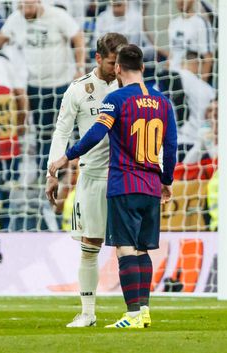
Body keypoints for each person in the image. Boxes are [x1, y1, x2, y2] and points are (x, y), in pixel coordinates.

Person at [48, 44, 178, 328]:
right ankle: (143, 312)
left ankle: (131, 315)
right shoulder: (164, 102)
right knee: (143, 249)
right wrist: (166, 181)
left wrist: (66, 156)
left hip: (124, 183)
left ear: (118, 69)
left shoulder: (117, 99)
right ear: (142, 67)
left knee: (125, 249)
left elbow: (96, 133)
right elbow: (170, 147)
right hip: (151, 184)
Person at [46, 33, 128, 327]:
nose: (116, 67)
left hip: (125, 177)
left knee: (130, 247)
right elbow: (62, 131)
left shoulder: (131, 86)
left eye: (120, 61)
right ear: (97, 58)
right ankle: (88, 313)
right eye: (110, 62)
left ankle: (136, 312)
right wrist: (51, 172)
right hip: (92, 177)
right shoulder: (79, 90)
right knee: (90, 244)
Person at [0, 0, 85, 182]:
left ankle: (64, 176)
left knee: (63, 131)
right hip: (35, 85)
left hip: (62, 83)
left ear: (38, 2)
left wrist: (79, 67)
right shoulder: (17, 18)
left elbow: (78, 36)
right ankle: (46, 174)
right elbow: (0, 39)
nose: (25, 10)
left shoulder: (57, 16)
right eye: (21, 6)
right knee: (43, 132)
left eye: (28, 6)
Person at [0, 49, 28, 230]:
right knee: (5, 179)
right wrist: (21, 125)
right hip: (3, 102)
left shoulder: (6, 60)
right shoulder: (6, 60)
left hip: (2, 102)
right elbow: (21, 96)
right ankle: (4, 225)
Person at [168, 0, 214, 81]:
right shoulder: (173, 23)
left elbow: (208, 58)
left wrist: (202, 85)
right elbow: (172, 53)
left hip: (189, 79)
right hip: (171, 77)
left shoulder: (200, 23)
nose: (181, 1)